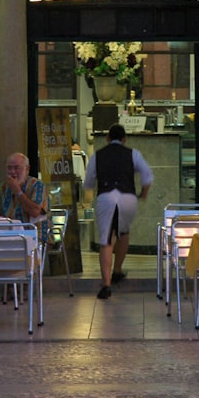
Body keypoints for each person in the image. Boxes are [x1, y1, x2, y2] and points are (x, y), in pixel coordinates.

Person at [82, 123, 154, 299]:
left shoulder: (98, 156)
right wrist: (142, 194)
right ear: (124, 139)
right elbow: (147, 176)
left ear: (107, 138)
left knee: (106, 239)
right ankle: (117, 270)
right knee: (124, 232)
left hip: (106, 197)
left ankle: (106, 284)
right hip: (128, 197)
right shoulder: (133, 153)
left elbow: (88, 183)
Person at [0, 153, 50, 244]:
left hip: (34, 235)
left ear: (27, 169)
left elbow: (35, 212)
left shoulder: (37, 185)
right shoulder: (2, 187)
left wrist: (18, 191)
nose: (12, 172)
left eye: (16, 168)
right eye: (9, 168)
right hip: (7, 234)